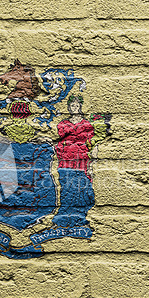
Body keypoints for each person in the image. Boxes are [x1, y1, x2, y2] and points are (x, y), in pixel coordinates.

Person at [52, 95, 95, 228]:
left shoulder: (86, 124)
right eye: (72, 106)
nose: (74, 108)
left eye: (77, 106)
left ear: (80, 107)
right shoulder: (63, 124)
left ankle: (80, 219)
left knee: (82, 190)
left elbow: (93, 145)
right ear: (69, 108)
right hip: (66, 162)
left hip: (82, 162)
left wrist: (92, 164)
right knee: (67, 190)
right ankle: (62, 220)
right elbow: (57, 141)